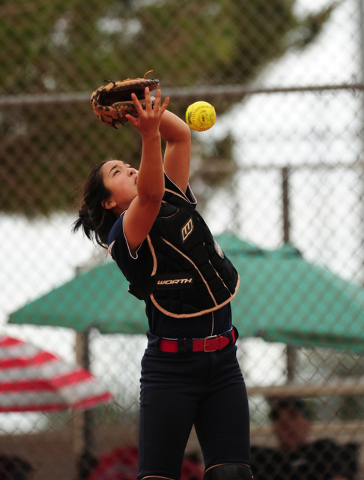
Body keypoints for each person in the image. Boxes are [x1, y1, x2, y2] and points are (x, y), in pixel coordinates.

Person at [73, 86, 251, 480]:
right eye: (117, 172)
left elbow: (180, 136)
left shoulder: (171, 194)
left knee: (233, 474)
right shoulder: (124, 235)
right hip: (171, 371)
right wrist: (147, 133)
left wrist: (145, 110)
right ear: (108, 202)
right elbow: (149, 197)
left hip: (223, 363)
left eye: (127, 164)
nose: (130, 169)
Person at [250, 397, 358, 480]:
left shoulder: (324, 449)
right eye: (279, 419)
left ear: (308, 423)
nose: (286, 424)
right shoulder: (263, 457)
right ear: (274, 428)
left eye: (293, 416)